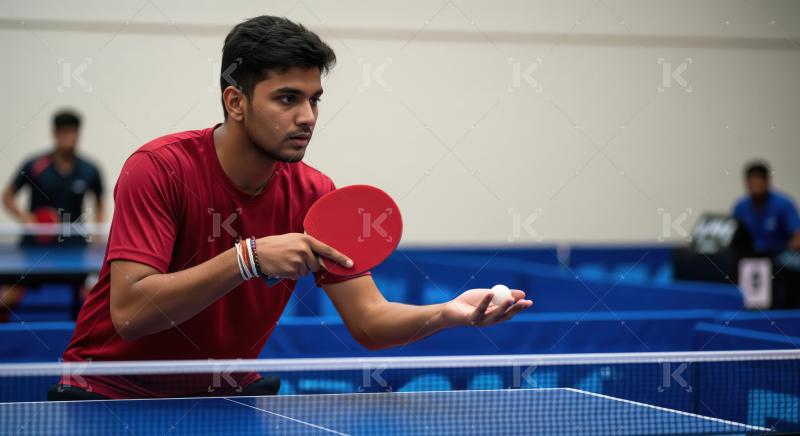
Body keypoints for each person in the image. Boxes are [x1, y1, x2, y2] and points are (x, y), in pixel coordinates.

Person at [51, 16, 533, 400]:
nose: (307, 117)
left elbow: (368, 321)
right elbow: (132, 312)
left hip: (224, 396)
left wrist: (448, 313)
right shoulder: (159, 169)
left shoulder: (315, 193)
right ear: (235, 102)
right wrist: (248, 259)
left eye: (314, 100)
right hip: (108, 393)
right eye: (287, 99)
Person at [0, 110, 105, 322]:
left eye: (73, 133)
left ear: (78, 134)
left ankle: (86, 349)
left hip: (74, 246)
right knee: (6, 300)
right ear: (55, 134)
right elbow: (8, 196)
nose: (69, 137)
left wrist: (97, 234)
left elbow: (100, 201)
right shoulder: (34, 165)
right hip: (35, 246)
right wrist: (26, 219)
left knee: (93, 303)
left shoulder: (89, 169)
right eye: (64, 132)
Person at [732, 160, 800, 308]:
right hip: (750, 258)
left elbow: (797, 237)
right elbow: (732, 233)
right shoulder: (741, 206)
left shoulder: (784, 204)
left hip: (778, 256)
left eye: (759, 180)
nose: (755, 185)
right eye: (751, 181)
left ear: (767, 182)